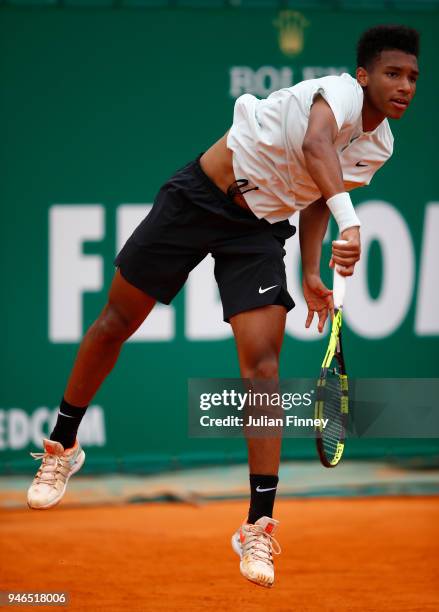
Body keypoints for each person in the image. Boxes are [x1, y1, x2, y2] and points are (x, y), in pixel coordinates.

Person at [27, 24, 419, 588]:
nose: (404, 85)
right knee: (115, 322)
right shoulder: (338, 95)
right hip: (200, 196)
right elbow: (315, 148)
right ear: (364, 76)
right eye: (392, 73)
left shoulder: (379, 146)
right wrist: (351, 221)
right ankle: (62, 444)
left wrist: (310, 270)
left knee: (262, 369)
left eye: (412, 77)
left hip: (259, 231)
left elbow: (316, 190)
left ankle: (258, 524)